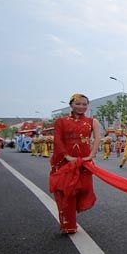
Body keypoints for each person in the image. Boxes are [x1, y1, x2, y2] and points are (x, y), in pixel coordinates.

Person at [49, 94, 102, 234]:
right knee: (66, 192)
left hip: (84, 162)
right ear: (71, 105)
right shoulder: (61, 121)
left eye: (85, 104)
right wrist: (67, 156)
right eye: (78, 104)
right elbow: (58, 140)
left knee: (81, 189)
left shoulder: (92, 121)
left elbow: (97, 138)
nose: (82, 107)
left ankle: (72, 216)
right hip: (64, 162)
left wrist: (91, 155)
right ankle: (68, 224)